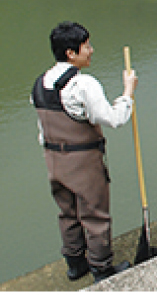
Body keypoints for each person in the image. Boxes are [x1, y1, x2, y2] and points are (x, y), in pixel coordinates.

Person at [31, 21, 137, 283]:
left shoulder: (39, 84)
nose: (91, 50)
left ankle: (75, 265)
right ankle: (102, 269)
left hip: (54, 161)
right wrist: (128, 91)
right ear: (71, 52)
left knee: (67, 213)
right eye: (86, 46)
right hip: (83, 160)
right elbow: (113, 118)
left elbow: (43, 130)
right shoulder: (83, 84)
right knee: (95, 214)